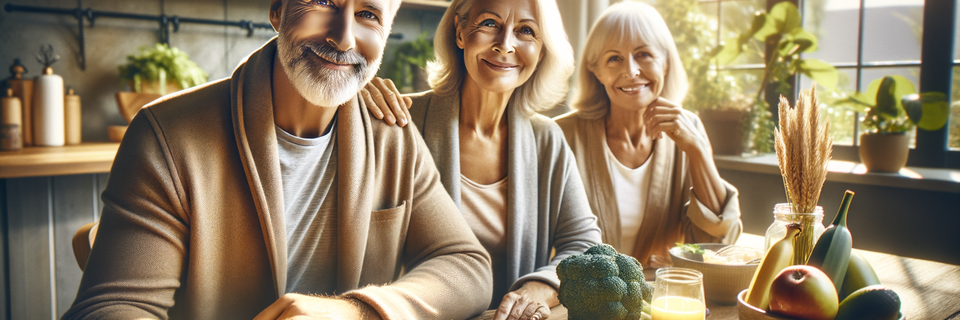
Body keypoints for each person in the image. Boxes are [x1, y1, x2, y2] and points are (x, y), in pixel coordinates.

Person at [62, 0, 494, 319]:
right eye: (323, 2)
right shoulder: (168, 134)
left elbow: (467, 266)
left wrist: (355, 312)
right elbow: (113, 307)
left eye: (369, 15)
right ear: (277, 10)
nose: (343, 37)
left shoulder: (393, 135)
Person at [361, 0, 601, 319]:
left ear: (542, 51)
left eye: (526, 31)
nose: (505, 45)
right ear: (460, 32)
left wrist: (536, 289)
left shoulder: (547, 139)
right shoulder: (399, 122)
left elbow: (584, 244)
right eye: (489, 23)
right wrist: (350, 97)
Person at [554, 1, 742, 269]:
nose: (631, 72)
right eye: (614, 58)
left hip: (658, 299)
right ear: (595, 70)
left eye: (643, 54)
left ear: (665, 62)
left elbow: (719, 245)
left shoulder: (689, 127)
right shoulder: (560, 136)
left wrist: (698, 151)